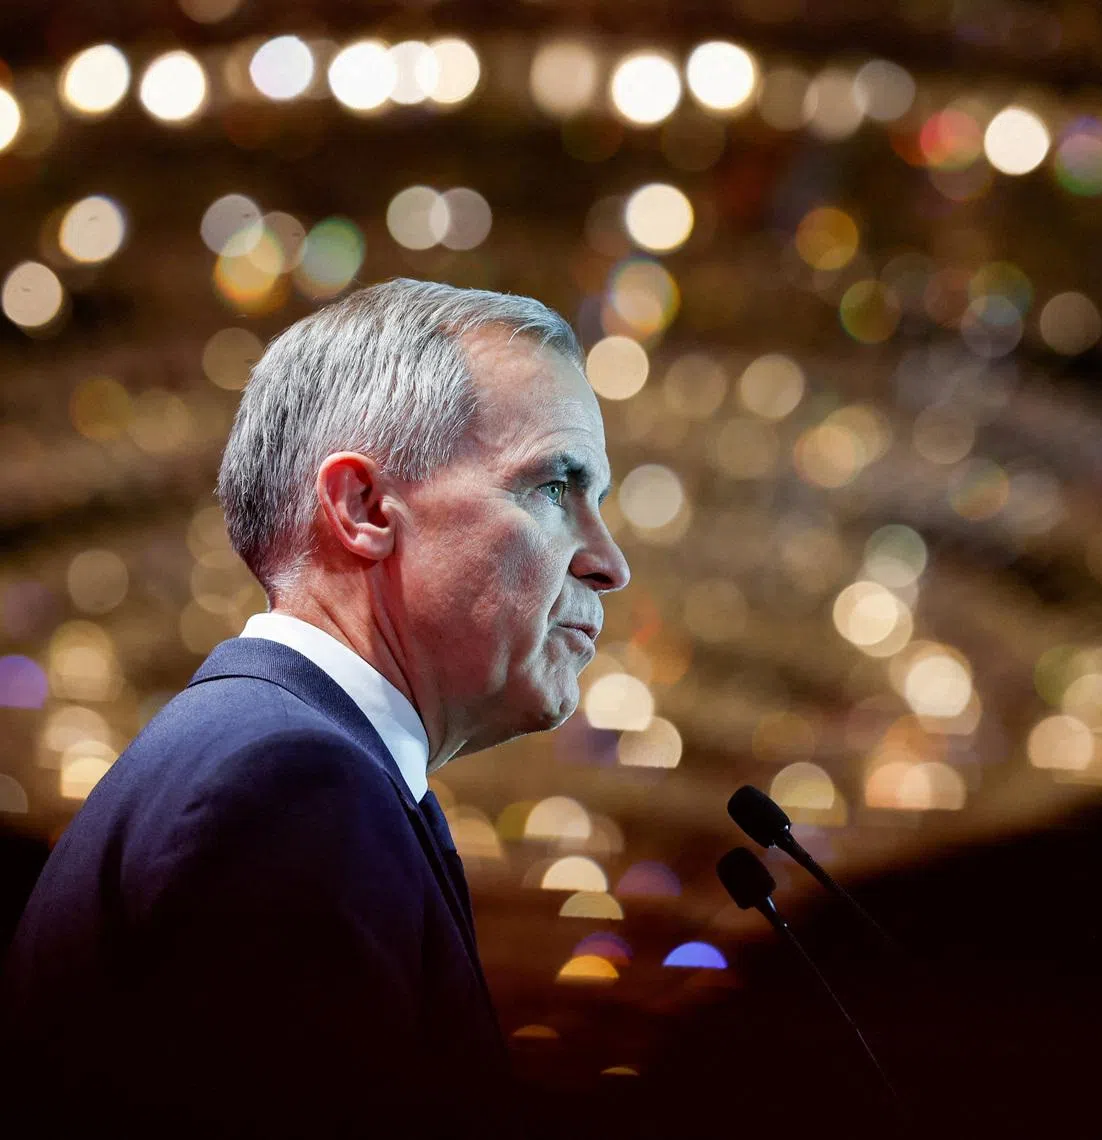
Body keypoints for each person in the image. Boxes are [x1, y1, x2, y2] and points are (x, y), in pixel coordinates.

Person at [1, 279, 631, 1137]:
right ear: (364, 509)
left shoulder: (267, 761)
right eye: (556, 487)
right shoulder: (289, 792)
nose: (609, 561)